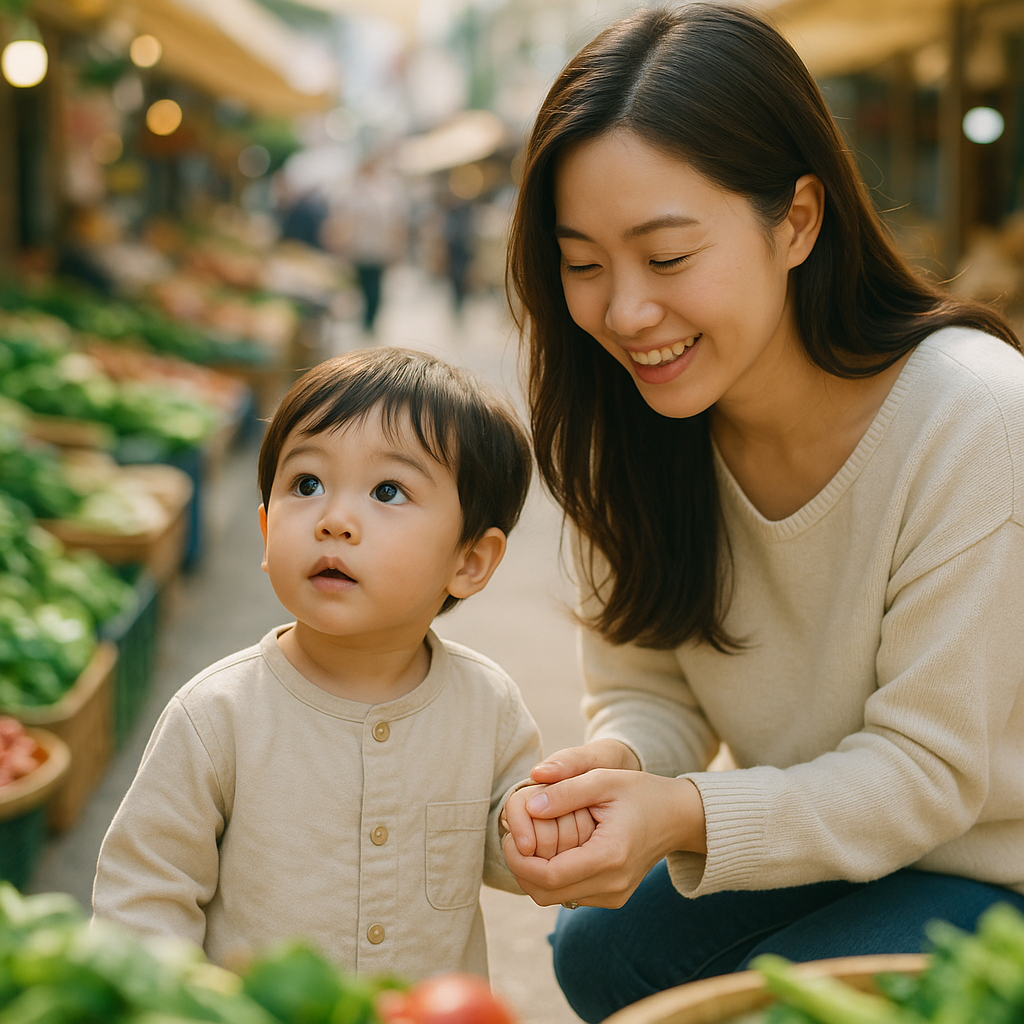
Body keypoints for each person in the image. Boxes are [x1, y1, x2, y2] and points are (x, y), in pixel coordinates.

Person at [498, 5, 1024, 1022]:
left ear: (796, 220)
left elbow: (927, 774)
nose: (624, 313)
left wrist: (685, 812)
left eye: (666, 257)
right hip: (838, 840)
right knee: (599, 949)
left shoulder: (975, 414)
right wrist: (613, 771)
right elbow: (650, 684)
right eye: (582, 263)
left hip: (993, 862)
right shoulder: (643, 417)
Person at [93, 347, 544, 982]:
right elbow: (143, 895)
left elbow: (503, 845)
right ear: (265, 526)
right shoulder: (218, 715)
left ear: (469, 560)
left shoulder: (487, 705)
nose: (334, 520)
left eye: (388, 491)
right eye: (306, 485)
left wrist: (533, 833)